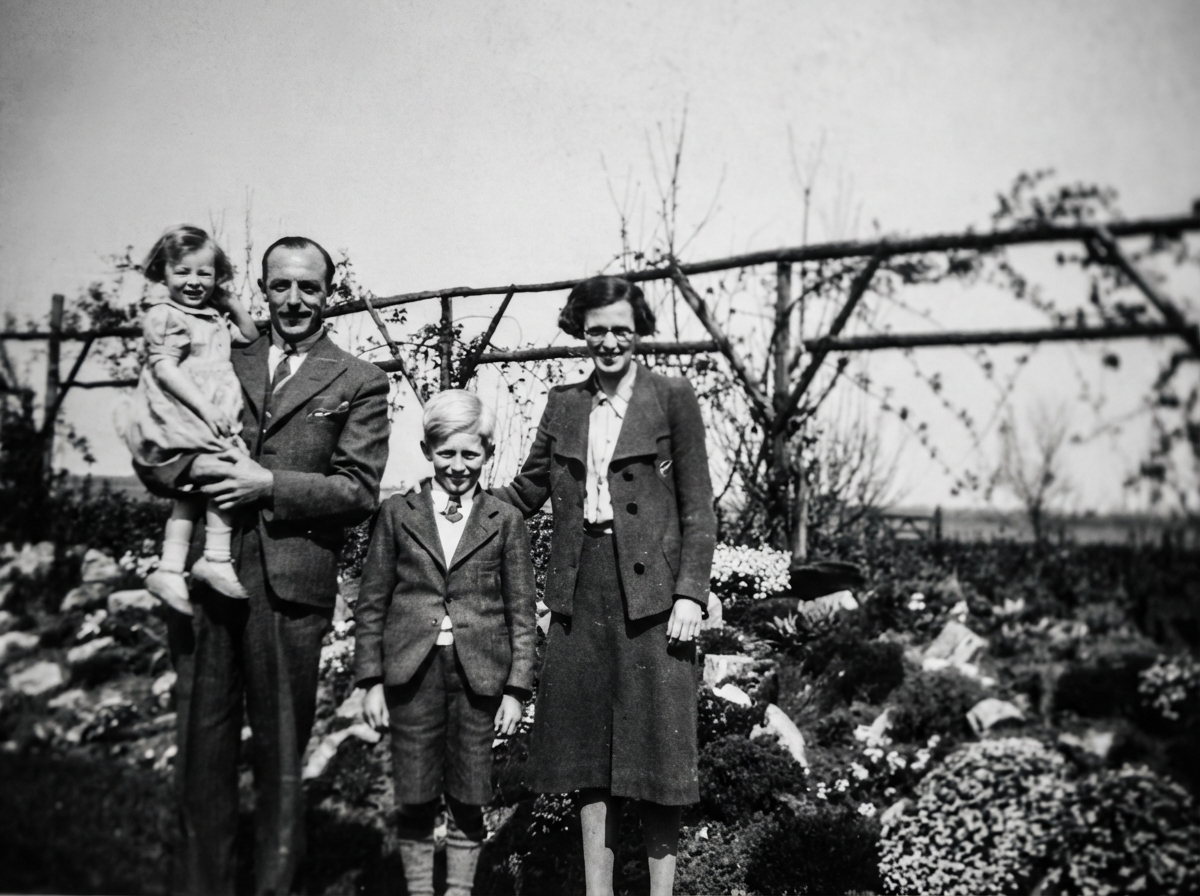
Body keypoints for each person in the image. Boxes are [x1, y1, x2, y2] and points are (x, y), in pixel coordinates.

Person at [157, 236, 391, 896]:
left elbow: (358, 489)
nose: (293, 300)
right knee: (203, 750)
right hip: (211, 573)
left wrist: (269, 484)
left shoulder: (358, 381)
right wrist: (195, 473)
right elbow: (168, 444)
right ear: (262, 289)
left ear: (329, 293)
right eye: (281, 286)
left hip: (291, 589)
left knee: (280, 757)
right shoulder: (219, 356)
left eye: (308, 288)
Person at [494, 276, 717, 896]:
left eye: (621, 327)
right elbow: (526, 490)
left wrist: (691, 594)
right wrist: (456, 509)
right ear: (580, 332)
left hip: (653, 597)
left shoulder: (672, 398)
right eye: (597, 329)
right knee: (590, 758)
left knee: (655, 759)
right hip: (580, 590)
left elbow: (698, 508)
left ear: (638, 329)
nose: (610, 340)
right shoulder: (564, 402)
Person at [354, 389, 537, 896]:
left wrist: (516, 689)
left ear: (488, 453)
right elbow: (372, 602)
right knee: (413, 794)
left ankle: (458, 890)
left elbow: (522, 612)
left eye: (470, 454)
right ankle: (417, 889)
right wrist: (370, 681)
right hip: (412, 674)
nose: (458, 465)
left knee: (468, 794)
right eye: (447, 453)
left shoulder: (506, 521)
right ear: (427, 450)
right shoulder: (397, 513)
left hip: (479, 678)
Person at [119, 225, 261, 613]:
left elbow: (249, 336)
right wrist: (206, 408)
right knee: (227, 471)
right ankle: (214, 558)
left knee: (191, 494)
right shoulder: (165, 315)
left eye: (205, 273)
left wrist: (231, 303)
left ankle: (170, 567)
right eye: (183, 272)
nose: (194, 282)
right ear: (163, 272)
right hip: (183, 415)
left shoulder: (212, 315)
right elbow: (165, 370)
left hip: (208, 416)